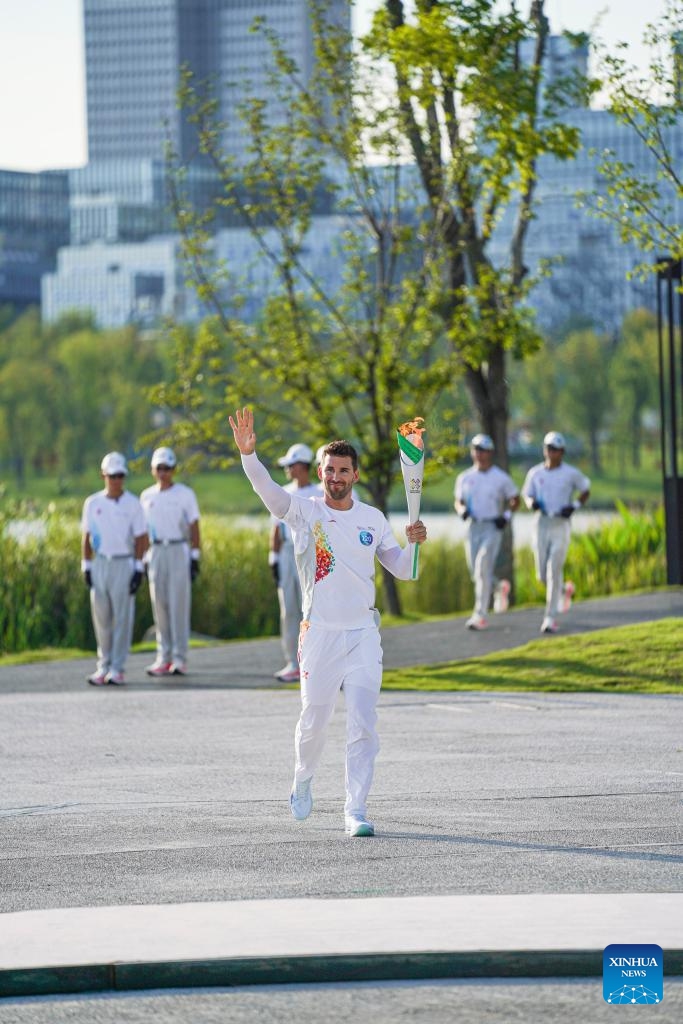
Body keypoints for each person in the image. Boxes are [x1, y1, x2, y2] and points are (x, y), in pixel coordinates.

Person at [229, 407, 427, 838]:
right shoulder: (306, 512)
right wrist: (249, 457)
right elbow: (269, 492)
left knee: (363, 722)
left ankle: (355, 809)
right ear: (320, 473)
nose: (335, 476)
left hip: (361, 635)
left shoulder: (372, 519)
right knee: (314, 719)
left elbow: (404, 571)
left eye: (343, 470)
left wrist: (413, 542)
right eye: (329, 470)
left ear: (354, 475)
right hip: (318, 634)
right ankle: (303, 778)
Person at [81, 452, 147, 686]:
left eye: (120, 476)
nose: (116, 480)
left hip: (124, 562)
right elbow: (86, 536)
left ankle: (117, 668)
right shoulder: (93, 503)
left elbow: (141, 538)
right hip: (100, 563)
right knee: (102, 618)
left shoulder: (133, 503)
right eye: (112, 476)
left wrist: (139, 568)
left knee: (122, 618)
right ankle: (103, 665)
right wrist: (86, 566)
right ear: (103, 476)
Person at [140, 446, 201, 677]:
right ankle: (163, 657)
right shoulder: (146, 496)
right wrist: (143, 559)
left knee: (178, 605)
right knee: (160, 606)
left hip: (178, 548)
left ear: (173, 469)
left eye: (167, 468)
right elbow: (143, 531)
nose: (163, 472)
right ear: (153, 470)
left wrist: (195, 556)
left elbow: (194, 526)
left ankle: (179, 657)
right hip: (156, 551)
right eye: (159, 468)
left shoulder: (185, 494)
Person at [522, 431, 590, 634]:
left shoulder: (571, 473)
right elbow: (527, 494)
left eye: (557, 450)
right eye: (550, 448)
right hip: (541, 523)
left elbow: (586, 489)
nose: (553, 453)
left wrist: (575, 505)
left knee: (553, 571)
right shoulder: (535, 473)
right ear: (545, 450)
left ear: (562, 452)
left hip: (561, 523)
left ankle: (550, 617)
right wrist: (531, 503)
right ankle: (563, 590)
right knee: (542, 574)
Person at [454, 434, 520, 631]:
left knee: (483, 566)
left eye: (483, 450)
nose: (480, 454)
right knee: (475, 571)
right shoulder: (464, 477)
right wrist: (461, 511)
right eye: (476, 449)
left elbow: (515, 500)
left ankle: (480, 614)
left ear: (490, 453)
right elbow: (458, 501)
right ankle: (499, 586)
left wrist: (506, 517)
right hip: (473, 527)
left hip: (493, 527)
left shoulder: (500, 478)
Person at [270, 443, 322, 683]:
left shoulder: (318, 493)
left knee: (311, 610)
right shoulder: (283, 491)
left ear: (302, 466)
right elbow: (275, 528)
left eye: (291, 465)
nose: (288, 470)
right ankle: (292, 662)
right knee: (288, 610)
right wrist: (273, 557)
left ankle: (313, 663)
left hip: (310, 553)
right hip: (287, 553)